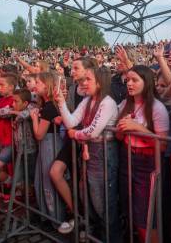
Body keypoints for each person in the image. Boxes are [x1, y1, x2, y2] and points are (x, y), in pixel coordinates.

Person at [56, 66, 121, 242]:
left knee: (104, 204)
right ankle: (99, 236)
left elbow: (92, 131)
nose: (83, 83)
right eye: (83, 80)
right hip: (91, 153)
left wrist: (75, 134)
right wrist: (61, 102)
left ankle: (111, 238)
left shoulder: (107, 102)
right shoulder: (88, 101)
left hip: (104, 155)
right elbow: (71, 121)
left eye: (88, 79)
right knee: (91, 199)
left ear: (100, 82)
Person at [117, 65, 169, 243]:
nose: (129, 84)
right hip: (126, 159)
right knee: (130, 211)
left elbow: (162, 145)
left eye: (134, 80)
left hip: (146, 163)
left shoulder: (157, 107)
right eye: (127, 80)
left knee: (145, 218)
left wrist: (137, 128)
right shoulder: (125, 104)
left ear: (146, 82)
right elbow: (118, 135)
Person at [49, 57, 96, 234]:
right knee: (56, 172)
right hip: (72, 138)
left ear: (88, 70)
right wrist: (62, 105)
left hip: (88, 142)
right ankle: (78, 215)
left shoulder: (94, 90)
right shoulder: (71, 88)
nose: (72, 70)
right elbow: (70, 118)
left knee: (86, 185)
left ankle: (90, 225)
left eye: (76, 68)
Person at [30, 72, 65, 225]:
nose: (35, 86)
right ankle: (47, 216)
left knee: (47, 182)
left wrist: (33, 119)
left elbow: (39, 134)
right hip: (47, 145)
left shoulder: (50, 106)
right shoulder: (46, 104)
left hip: (50, 145)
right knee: (41, 180)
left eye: (38, 82)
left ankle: (55, 219)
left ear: (47, 85)